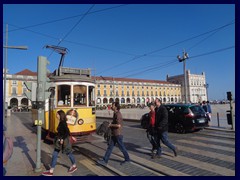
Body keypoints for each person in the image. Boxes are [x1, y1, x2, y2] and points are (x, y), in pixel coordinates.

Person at [42, 110, 77, 176]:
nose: (56, 116)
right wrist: (71, 137)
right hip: (61, 140)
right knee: (55, 154)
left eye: (57, 114)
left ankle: (74, 165)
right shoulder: (62, 122)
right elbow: (67, 130)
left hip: (63, 141)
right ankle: (51, 171)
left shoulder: (62, 123)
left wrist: (62, 139)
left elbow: (66, 132)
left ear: (60, 115)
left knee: (68, 153)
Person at [97, 102, 130, 166]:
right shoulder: (115, 113)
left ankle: (127, 159)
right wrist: (111, 123)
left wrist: (110, 125)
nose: (111, 106)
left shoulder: (118, 115)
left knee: (122, 148)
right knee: (110, 148)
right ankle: (105, 160)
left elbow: (118, 125)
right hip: (114, 134)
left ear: (116, 107)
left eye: (112, 105)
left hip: (118, 134)